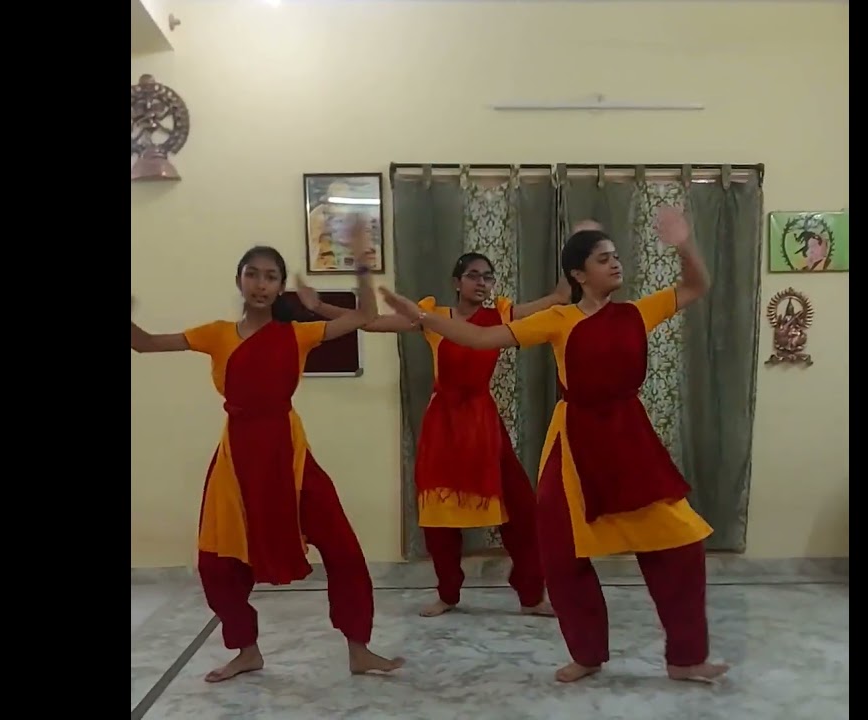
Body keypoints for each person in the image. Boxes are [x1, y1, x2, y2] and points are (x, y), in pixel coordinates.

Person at [377, 209, 730, 685]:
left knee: (681, 544)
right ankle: (587, 654)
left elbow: (697, 285)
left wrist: (684, 243)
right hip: (573, 441)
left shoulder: (637, 312)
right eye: (603, 259)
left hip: (630, 439)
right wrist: (421, 316)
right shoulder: (558, 320)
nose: (615, 263)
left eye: (616, 256)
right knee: (563, 552)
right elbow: (480, 337)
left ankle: (686, 658)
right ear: (579, 275)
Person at [130, 218, 404, 683]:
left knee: (342, 546)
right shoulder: (215, 333)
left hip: (289, 453)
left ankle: (359, 648)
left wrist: (362, 264)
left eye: (271, 276)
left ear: (280, 288)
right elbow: (146, 344)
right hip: (237, 457)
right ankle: (247, 651)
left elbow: (363, 316)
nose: (261, 284)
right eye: (253, 274)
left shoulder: (296, 334)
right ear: (239, 280)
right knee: (216, 562)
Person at [299, 253, 566, 618]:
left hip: (484, 425)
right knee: (440, 517)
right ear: (457, 282)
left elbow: (554, 302)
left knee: (520, 509)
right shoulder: (431, 316)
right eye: (473, 275)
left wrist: (569, 268)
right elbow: (371, 322)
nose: (482, 283)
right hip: (443, 426)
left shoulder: (501, 316)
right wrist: (318, 306)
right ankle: (448, 593)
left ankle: (532, 595)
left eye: (488, 277)